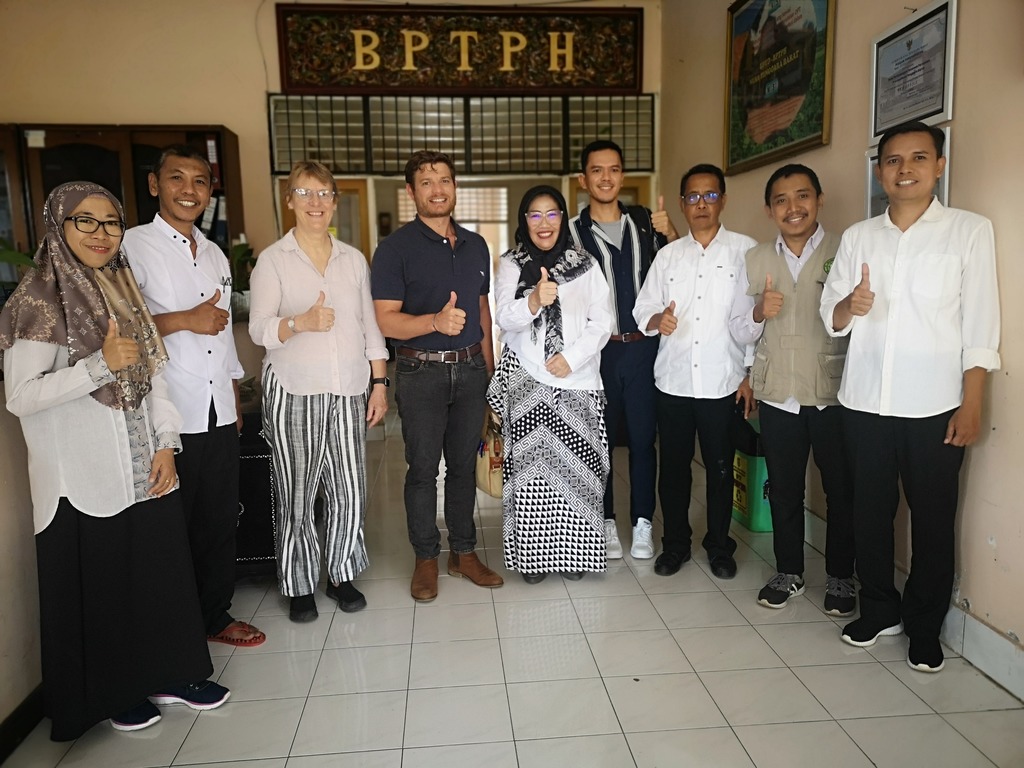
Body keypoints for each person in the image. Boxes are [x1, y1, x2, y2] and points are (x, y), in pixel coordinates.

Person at [0, 182, 229, 739]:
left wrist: (167, 443)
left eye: (111, 222)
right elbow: (21, 396)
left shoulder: (123, 288)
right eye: (86, 221)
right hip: (81, 475)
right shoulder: (38, 300)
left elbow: (154, 376)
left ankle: (171, 674)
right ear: (58, 225)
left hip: (143, 460)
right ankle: (114, 692)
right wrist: (99, 366)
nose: (101, 234)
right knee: (103, 584)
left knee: (157, 574)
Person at [820, 121, 1000, 672]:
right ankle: (879, 610)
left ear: (939, 166)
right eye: (893, 160)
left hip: (936, 406)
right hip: (865, 403)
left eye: (918, 158)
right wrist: (851, 304)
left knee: (933, 521)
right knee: (868, 515)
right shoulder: (859, 237)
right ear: (880, 172)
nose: (905, 169)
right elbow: (831, 316)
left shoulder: (969, 231)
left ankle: (925, 626)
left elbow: (981, 323)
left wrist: (972, 402)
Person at [123, 145, 265, 647]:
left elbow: (221, 335)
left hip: (217, 409)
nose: (189, 190)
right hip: (168, 413)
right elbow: (118, 328)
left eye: (200, 181)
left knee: (218, 520)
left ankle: (215, 616)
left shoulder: (214, 253)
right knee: (171, 525)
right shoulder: (132, 246)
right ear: (154, 185)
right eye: (177, 178)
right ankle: (173, 630)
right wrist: (185, 319)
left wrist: (233, 394)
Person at [249, 161, 389, 622]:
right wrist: (299, 323)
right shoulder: (273, 260)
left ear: (334, 201)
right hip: (294, 389)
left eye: (324, 193)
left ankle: (342, 574)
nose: (315, 202)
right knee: (298, 493)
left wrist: (379, 384)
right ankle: (300, 582)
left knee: (350, 489)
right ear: (289, 200)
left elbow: (370, 327)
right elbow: (257, 329)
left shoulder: (353, 259)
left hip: (348, 388)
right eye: (305, 193)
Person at [371, 149, 503, 602]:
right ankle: (426, 557)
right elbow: (385, 319)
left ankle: (463, 553)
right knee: (423, 469)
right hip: (419, 371)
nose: (437, 189)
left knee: (464, 467)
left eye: (444, 180)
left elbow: (483, 311)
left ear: (455, 187)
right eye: (426, 182)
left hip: (471, 369)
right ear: (411, 192)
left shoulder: (476, 245)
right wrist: (434, 321)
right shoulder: (394, 250)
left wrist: (490, 372)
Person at [729, 163, 855, 614]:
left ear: (818, 200)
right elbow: (739, 328)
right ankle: (789, 572)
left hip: (833, 391)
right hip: (778, 391)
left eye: (802, 196)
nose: (793, 207)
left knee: (841, 490)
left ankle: (841, 576)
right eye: (781, 200)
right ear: (770, 209)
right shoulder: (756, 258)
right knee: (783, 489)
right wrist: (758, 311)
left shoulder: (846, 249)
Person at [633, 163, 756, 581]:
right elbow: (643, 308)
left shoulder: (745, 251)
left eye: (710, 195)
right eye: (693, 197)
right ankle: (676, 545)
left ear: (723, 200)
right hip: (674, 383)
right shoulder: (668, 256)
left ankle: (720, 546)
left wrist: (749, 374)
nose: (701, 204)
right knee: (674, 471)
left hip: (724, 382)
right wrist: (658, 321)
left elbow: (756, 319)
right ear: (682, 203)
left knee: (721, 471)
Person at [489, 185, 613, 583]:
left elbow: (603, 321)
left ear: (563, 217)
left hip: (577, 379)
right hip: (527, 378)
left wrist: (571, 358)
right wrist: (533, 301)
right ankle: (533, 559)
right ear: (524, 220)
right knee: (531, 476)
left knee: (578, 471)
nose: (544, 223)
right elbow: (503, 317)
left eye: (552, 213)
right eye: (535, 215)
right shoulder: (511, 264)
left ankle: (577, 555)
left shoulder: (586, 264)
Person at [568, 139, 677, 561]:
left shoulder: (646, 223)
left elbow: (676, 269)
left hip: (643, 349)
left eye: (613, 169)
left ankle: (643, 522)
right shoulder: (571, 233)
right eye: (597, 170)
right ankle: (606, 520)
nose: (606, 177)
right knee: (601, 441)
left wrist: (672, 232)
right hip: (597, 354)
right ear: (584, 179)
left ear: (622, 176)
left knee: (644, 439)